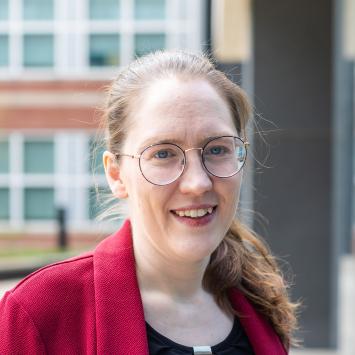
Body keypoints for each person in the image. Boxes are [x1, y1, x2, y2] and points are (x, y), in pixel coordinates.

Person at [0, 51, 298, 354]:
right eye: (163, 153)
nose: (197, 183)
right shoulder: (39, 313)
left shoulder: (261, 304)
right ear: (116, 174)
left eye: (217, 150)